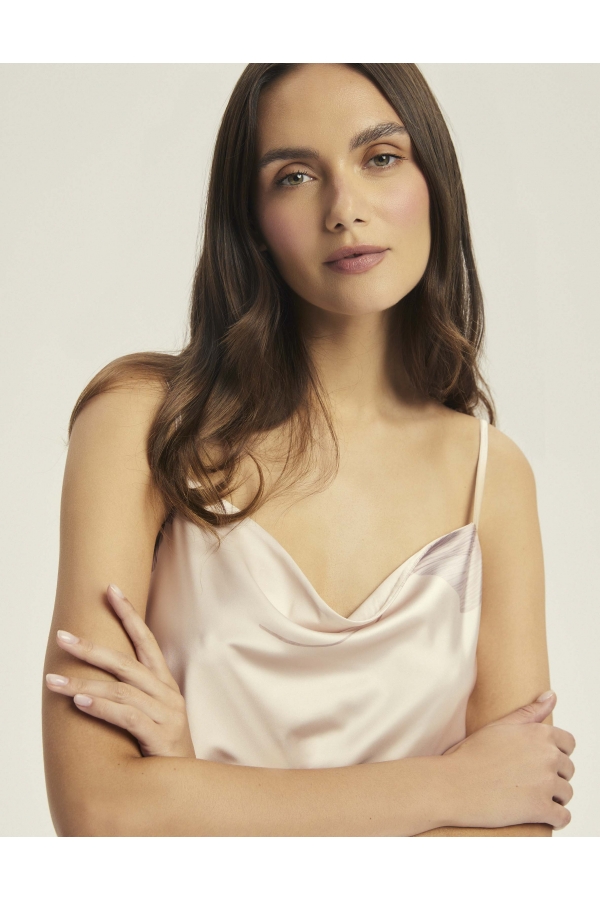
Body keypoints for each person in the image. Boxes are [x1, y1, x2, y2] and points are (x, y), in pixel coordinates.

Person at [42, 63, 576, 837]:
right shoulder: (143, 423)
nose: (344, 209)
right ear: (251, 218)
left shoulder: (490, 476)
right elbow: (100, 813)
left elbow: (516, 831)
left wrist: (191, 789)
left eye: (381, 157)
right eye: (294, 176)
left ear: (435, 181)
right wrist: (453, 786)